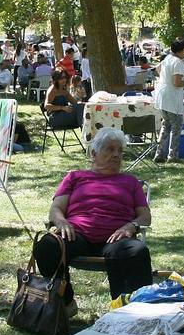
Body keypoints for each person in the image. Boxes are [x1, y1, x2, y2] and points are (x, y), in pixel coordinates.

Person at [32, 127, 153, 300]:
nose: (117, 155)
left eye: (120, 151)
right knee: (47, 246)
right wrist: (61, 222)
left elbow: (145, 216)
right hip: (77, 235)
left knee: (137, 251)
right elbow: (56, 208)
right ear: (94, 153)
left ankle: (129, 308)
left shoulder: (130, 182)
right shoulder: (75, 177)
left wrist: (131, 226)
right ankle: (63, 303)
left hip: (117, 238)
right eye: (110, 149)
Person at [152, 38, 184, 164]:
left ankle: (159, 154)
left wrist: (165, 78)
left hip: (162, 95)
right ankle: (173, 155)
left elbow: (157, 68)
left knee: (166, 125)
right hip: (171, 98)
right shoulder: (178, 62)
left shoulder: (168, 58)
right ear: (180, 50)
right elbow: (177, 82)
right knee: (176, 127)